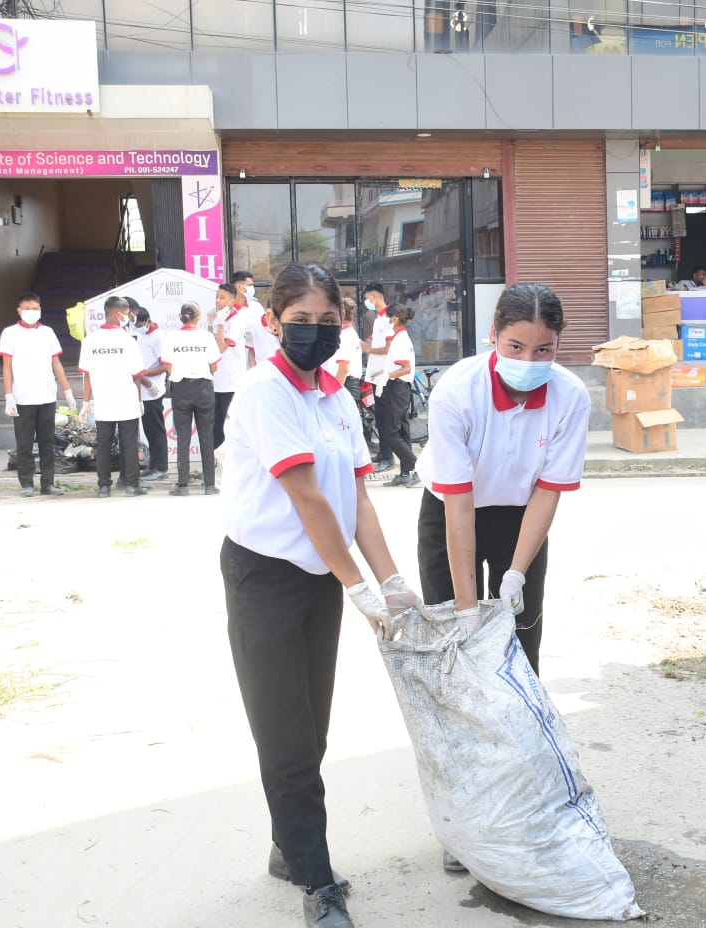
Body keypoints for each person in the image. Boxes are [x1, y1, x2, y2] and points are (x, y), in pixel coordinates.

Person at [219, 262, 420, 928]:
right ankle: (316, 881)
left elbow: (356, 498)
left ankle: (288, 846)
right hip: (266, 576)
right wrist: (359, 588)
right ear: (273, 323)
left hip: (320, 576)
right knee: (287, 737)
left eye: (326, 320)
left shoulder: (334, 394)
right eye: (299, 321)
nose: (313, 332)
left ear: (343, 323)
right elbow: (305, 495)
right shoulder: (263, 392)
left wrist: (391, 582)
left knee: (313, 726)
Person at [416, 282, 590, 676]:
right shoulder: (456, 393)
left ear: (558, 344)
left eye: (542, 350)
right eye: (515, 347)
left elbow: (548, 492)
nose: (528, 360)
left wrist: (516, 573)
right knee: (453, 641)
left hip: (521, 517)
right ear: (493, 335)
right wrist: (465, 609)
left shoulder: (571, 396)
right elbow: (458, 504)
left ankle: (520, 731)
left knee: (521, 633)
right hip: (451, 513)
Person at [0, 293, 75, 498]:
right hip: (22, 397)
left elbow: (56, 362)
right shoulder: (10, 333)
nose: (32, 312)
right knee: (24, 444)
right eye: (27, 309)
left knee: (47, 443)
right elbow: (7, 367)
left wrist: (67, 390)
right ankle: (26, 483)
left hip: (47, 395)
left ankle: (48, 483)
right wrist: (8, 395)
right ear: (19, 310)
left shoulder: (48, 332)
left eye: (35, 308)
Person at [81, 296, 150, 498]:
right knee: (129, 442)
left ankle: (103, 486)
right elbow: (136, 375)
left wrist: (86, 401)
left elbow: (86, 375)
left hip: (103, 399)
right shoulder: (128, 341)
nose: (129, 316)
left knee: (103, 444)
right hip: (126, 398)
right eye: (127, 313)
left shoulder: (90, 341)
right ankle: (132, 485)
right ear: (117, 313)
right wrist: (139, 400)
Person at [162, 301, 221, 496]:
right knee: (206, 436)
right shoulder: (206, 337)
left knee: (183, 438)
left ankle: (183, 485)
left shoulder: (171, 338)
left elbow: (168, 367)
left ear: (181, 317)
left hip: (181, 389)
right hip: (204, 389)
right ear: (198, 317)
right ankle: (210, 485)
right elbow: (214, 366)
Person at [376, 304, 419, 488]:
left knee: (390, 433)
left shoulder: (400, 339)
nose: (385, 321)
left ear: (394, 319)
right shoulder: (400, 338)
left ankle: (416, 467)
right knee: (402, 431)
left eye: (387, 317)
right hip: (399, 388)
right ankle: (405, 473)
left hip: (396, 388)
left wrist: (388, 375)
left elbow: (406, 368)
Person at [359, 283, 395, 473]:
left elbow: (388, 348)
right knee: (379, 416)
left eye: (367, 298)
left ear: (374, 297)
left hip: (384, 376)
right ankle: (383, 451)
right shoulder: (378, 319)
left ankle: (388, 457)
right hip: (375, 375)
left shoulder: (388, 317)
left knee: (385, 417)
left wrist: (368, 348)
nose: (367, 303)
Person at [133, 307, 169, 481]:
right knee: (148, 430)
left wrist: (143, 374)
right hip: (142, 389)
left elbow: (165, 366)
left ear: (148, 320)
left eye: (140, 324)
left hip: (153, 389)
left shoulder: (158, 336)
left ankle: (161, 467)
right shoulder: (140, 334)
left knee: (156, 430)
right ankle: (153, 465)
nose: (138, 327)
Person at [212, 281, 250, 450]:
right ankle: (215, 468)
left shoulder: (237, 320)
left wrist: (220, 324)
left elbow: (222, 347)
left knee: (230, 427)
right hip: (216, 381)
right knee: (216, 428)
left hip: (232, 382)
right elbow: (211, 346)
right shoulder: (219, 318)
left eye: (222, 297)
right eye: (217, 297)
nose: (217, 301)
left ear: (232, 301)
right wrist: (210, 323)